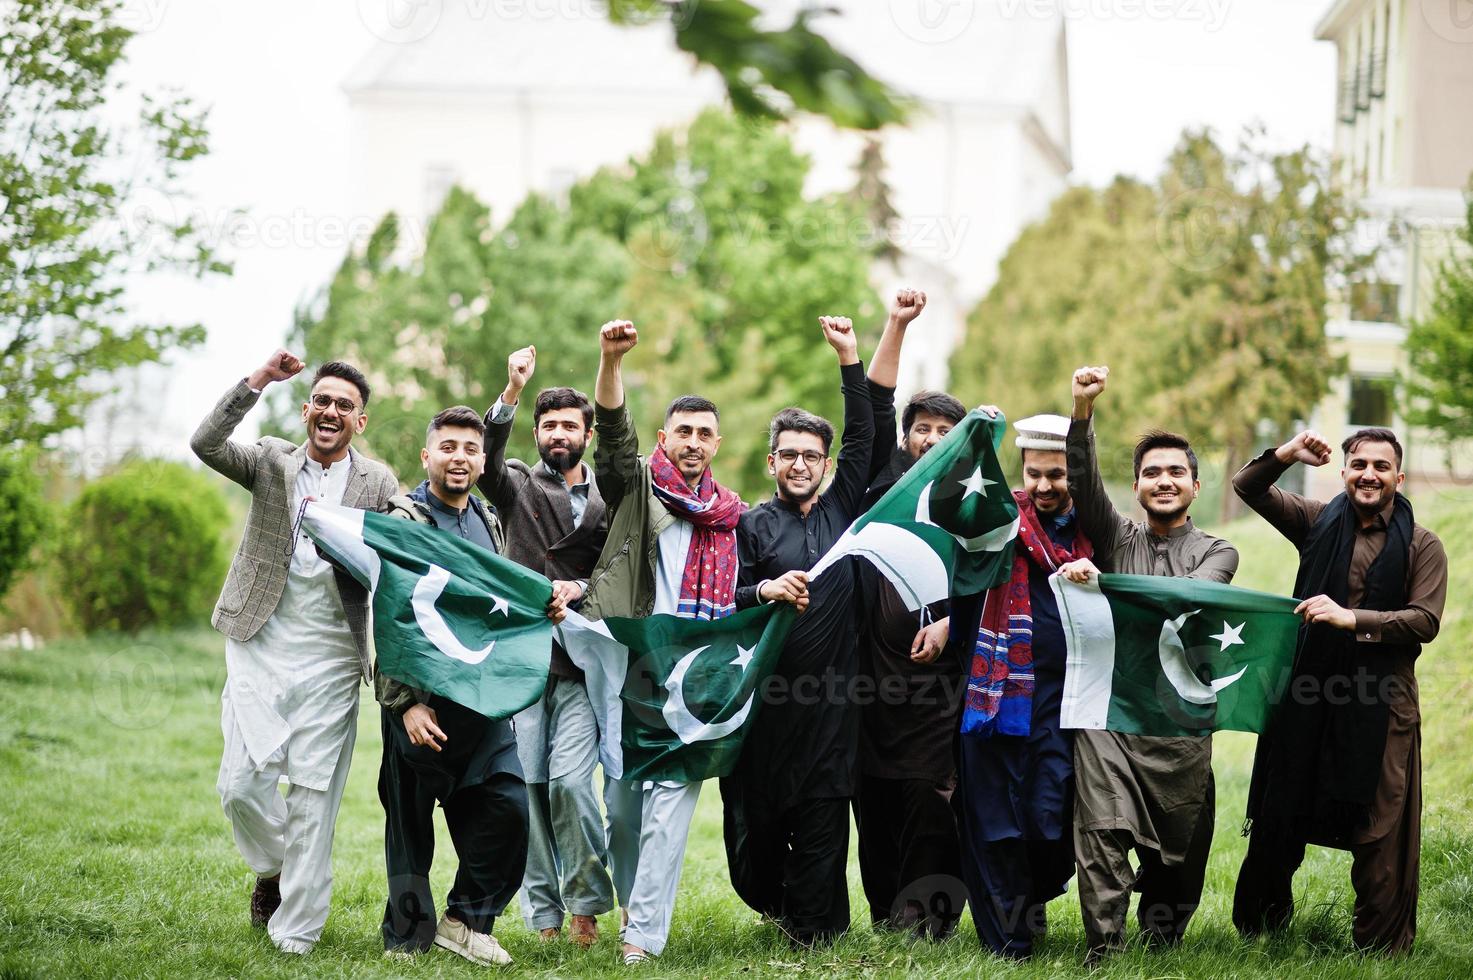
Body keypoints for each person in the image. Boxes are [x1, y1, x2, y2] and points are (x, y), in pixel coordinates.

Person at [579, 320, 806, 966]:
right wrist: (611, 361)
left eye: (705, 434)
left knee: (670, 811)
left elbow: (733, 594)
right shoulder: (638, 492)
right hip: (633, 670)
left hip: (696, 681)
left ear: (717, 444)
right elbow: (614, 442)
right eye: (683, 431)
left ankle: (642, 938)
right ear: (664, 439)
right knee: (622, 809)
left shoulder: (730, 517)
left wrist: (761, 596)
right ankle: (631, 903)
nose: (694, 443)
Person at [190, 351, 399, 954]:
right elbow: (206, 442)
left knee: (313, 792)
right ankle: (274, 871)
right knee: (238, 786)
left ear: (360, 421)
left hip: (334, 650)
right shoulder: (272, 460)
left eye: (346, 405)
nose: (332, 411)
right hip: (258, 639)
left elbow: (409, 535)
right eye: (323, 400)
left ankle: (296, 930)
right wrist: (258, 379)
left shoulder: (377, 481)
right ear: (308, 409)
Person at [1230, 427, 1447, 954]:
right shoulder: (1316, 519)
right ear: (1344, 471)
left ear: (1399, 475)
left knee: (1381, 822)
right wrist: (1286, 454)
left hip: (1383, 701)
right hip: (1307, 692)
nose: (1368, 474)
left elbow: (1424, 620)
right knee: (1284, 804)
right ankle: (1262, 931)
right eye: (1358, 464)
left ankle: (1382, 943)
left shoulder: (1423, 545)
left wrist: (1352, 619)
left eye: (1380, 465)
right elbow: (1248, 487)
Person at [1060, 365, 1239, 965]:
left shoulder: (1219, 551)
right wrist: (1082, 409)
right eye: (1151, 473)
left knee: (1179, 846)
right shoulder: (1115, 537)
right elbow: (1083, 487)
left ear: (1193, 483)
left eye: (1175, 472)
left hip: (1181, 721)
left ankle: (1163, 935)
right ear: (1136, 485)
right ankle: (1102, 947)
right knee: (1102, 827)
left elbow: (1188, 598)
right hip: (1112, 708)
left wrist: (1103, 581)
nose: (1164, 481)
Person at [373, 405, 545, 965]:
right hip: (419, 700)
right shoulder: (404, 520)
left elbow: (490, 607)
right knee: (409, 823)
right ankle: (407, 933)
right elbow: (391, 613)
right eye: (448, 446)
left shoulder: (488, 520)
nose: (460, 458)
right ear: (427, 456)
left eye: (471, 449)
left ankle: (468, 920)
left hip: (479, 700)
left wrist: (541, 611)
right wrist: (403, 707)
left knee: (508, 806)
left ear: (482, 459)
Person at [722, 314, 872, 947]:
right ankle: (775, 901)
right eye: (790, 455)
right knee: (754, 830)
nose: (801, 464)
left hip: (834, 705)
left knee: (823, 818)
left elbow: (866, 437)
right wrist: (765, 589)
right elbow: (723, 600)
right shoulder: (750, 526)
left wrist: (850, 359)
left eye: (813, 455)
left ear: (827, 463)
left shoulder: (843, 511)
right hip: (764, 705)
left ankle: (815, 931)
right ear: (771, 461)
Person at [477, 345, 615, 948]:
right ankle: (544, 915)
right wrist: (511, 391)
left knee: (571, 784)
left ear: (586, 433)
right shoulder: (514, 486)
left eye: (570, 425)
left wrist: (579, 587)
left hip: (584, 662)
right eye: (549, 425)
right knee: (530, 787)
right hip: (524, 659)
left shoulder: (611, 498)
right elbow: (487, 456)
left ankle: (586, 897)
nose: (559, 433)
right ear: (537, 432)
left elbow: (617, 571)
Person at [851, 288, 968, 939]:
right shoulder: (881, 484)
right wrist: (895, 323)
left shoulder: (970, 504)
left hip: (938, 690)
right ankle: (882, 912)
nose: (928, 438)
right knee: (875, 800)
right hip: (870, 682)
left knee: (931, 800)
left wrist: (953, 617)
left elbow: (988, 580)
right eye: (920, 428)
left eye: (943, 431)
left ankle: (930, 917)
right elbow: (871, 403)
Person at [951, 414, 1089, 958]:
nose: (1045, 486)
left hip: (1062, 704)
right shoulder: (998, 520)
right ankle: (1006, 938)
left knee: (1048, 820)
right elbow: (950, 508)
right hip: (993, 699)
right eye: (1035, 474)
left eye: (1057, 475)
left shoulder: (1092, 536)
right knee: (993, 820)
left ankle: (1030, 907)